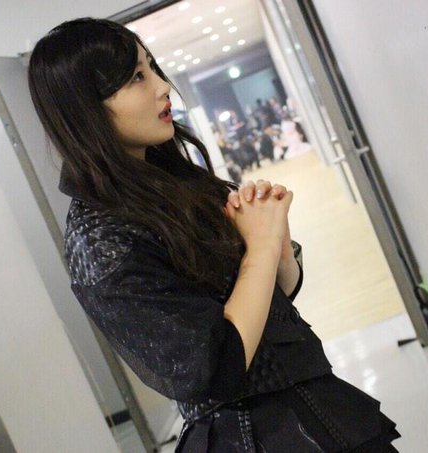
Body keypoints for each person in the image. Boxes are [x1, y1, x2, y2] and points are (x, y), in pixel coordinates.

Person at [28, 18, 400, 452]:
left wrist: (274, 245)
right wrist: (259, 249)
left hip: (315, 407)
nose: (163, 88)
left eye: (152, 68)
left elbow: (271, 302)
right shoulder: (99, 239)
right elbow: (219, 367)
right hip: (254, 435)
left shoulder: (168, 182)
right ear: (85, 110)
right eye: (136, 78)